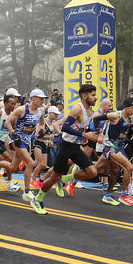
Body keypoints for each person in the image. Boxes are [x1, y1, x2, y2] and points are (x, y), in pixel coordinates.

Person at [30, 84, 99, 215]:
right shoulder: (77, 109)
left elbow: (81, 128)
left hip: (75, 146)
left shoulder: (90, 111)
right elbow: (66, 128)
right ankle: (37, 200)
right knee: (54, 177)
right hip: (65, 145)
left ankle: (64, 180)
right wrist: (84, 135)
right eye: (93, 95)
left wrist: (86, 135)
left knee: (92, 171)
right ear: (84, 96)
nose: (96, 98)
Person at [92, 97, 133, 206]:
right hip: (110, 146)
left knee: (97, 170)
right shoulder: (115, 115)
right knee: (129, 167)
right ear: (126, 107)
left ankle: (72, 177)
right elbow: (96, 119)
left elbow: (124, 134)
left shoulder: (130, 118)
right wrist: (98, 133)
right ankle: (123, 195)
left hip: (118, 146)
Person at [6, 88, 46, 202]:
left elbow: (42, 123)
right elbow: (7, 122)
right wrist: (14, 135)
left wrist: (41, 130)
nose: (42, 101)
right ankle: (27, 192)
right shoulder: (21, 110)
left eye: (43, 99)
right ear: (33, 98)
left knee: (12, 167)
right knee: (30, 163)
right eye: (41, 99)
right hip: (18, 140)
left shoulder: (41, 111)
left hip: (27, 140)